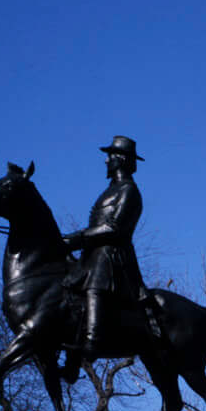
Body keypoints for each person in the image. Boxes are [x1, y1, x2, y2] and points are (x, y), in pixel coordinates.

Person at [64, 135, 149, 360]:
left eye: (110, 156)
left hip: (111, 256)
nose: (106, 161)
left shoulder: (129, 191)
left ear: (120, 159)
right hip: (93, 253)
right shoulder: (111, 190)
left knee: (95, 284)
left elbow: (114, 229)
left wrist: (77, 237)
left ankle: (93, 341)